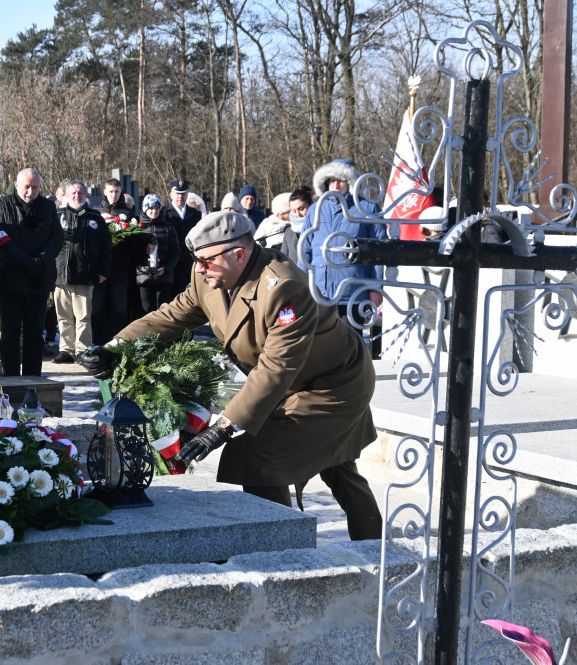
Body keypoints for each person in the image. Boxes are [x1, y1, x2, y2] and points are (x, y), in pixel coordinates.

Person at [81, 212, 383, 540]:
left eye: (205, 261)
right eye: (195, 260)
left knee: (258, 457)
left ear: (238, 254)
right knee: (338, 466)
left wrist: (224, 427)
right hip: (289, 383)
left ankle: (280, 550)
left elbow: (277, 366)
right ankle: (371, 548)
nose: (198, 268)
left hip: (332, 384)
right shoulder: (209, 276)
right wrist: (116, 348)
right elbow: (171, 316)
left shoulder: (285, 288)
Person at [0, 168, 63, 376]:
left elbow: (57, 238)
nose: (30, 192)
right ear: (16, 184)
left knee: (34, 334)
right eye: (26, 187)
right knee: (10, 333)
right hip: (11, 279)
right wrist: (25, 261)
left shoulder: (48, 206)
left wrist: (39, 261)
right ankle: (11, 377)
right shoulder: (2, 204)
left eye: (35, 187)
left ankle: (32, 378)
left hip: (39, 279)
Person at [304, 158, 387, 331]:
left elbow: (378, 255)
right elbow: (304, 251)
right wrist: (301, 286)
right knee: (321, 347)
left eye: (341, 180)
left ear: (350, 183)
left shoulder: (368, 208)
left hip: (353, 293)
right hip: (319, 293)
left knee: (351, 347)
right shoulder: (315, 210)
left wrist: (375, 288)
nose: (335, 185)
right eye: (332, 180)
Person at [53, 180, 111, 364]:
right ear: (67, 195)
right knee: (63, 316)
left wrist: (103, 271)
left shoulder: (95, 217)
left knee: (83, 316)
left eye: (80, 193)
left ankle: (82, 350)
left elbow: (106, 247)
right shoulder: (57, 216)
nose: (77, 196)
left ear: (85, 195)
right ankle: (66, 350)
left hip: (85, 275)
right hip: (60, 275)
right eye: (73, 193)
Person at [136, 194, 179, 314]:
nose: (154, 211)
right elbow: (132, 252)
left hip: (164, 277)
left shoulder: (168, 228)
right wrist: (144, 251)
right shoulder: (138, 228)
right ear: (145, 209)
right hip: (144, 277)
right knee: (146, 311)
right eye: (151, 208)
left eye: (156, 208)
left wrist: (166, 268)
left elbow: (175, 252)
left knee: (163, 312)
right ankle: (146, 333)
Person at [164, 178, 201, 296]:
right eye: (177, 194)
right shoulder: (165, 214)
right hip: (171, 263)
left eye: (183, 194)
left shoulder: (195, 214)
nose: (180, 197)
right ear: (171, 195)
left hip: (189, 263)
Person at [280, 186, 314, 264]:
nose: (298, 214)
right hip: (294, 275)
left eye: (301, 209)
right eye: (294, 211)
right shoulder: (289, 232)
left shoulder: (319, 229)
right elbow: (283, 260)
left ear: (311, 205)